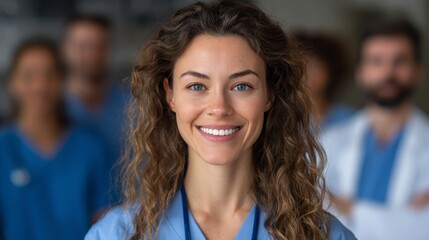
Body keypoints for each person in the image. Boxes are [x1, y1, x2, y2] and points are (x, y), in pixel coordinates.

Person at [85, 1, 356, 239]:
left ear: (269, 95)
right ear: (170, 96)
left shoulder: (321, 235)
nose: (219, 108)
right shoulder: (117, 235)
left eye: (241, 86)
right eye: (196, 86)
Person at [321, 19, 429, 240]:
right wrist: (399, 218)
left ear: (418, 70)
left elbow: (421, 230)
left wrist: (345, 205)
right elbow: (313, 215)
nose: (388, 72)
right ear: (360, 72)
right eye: (376, 61)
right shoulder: (329, 141)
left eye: (400, 61)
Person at [0, 37, 113, 240]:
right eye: (29, 76)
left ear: (62, 81)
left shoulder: (92, 147)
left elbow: (107, 223)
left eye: (49, 75)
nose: (40, 86)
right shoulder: (4, 148)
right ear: (12, 83)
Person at [62, 14, 127, 172]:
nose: (92, 54)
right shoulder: (49, 108)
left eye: (100, 45)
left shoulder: (134, 106)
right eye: (82, 46)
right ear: (64, 50)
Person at [294, 32, 354, 131]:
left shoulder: (349, 119)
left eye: (317, 67)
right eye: (303, 66)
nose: (310, 74)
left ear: (331, 72)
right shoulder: (284, 118)